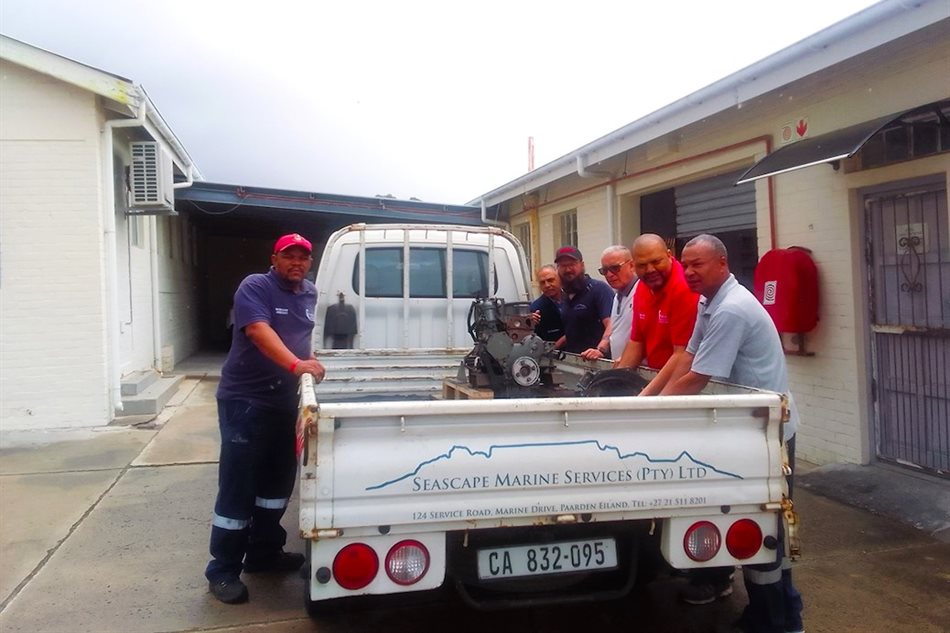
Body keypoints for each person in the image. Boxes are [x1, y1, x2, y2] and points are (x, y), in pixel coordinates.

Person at [657, 234, 804, 633]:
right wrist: (644, 397)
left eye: (698, 264)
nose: (688, 271)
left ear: (722, 264)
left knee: (767, 528)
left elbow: (699, 377)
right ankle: (772, 613)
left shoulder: (732, 310)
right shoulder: (710, 302)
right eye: (685, 264)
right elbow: (685, 357)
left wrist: (649, 413)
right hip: (743, 431)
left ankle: (779, 621)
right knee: (748, 518)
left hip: (767, 435)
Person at [205, 232, 327, 605]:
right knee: (239, 483)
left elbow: (303, 337)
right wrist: (296, 364)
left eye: (303, 257)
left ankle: (263, 554)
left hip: (283, 401)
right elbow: (259, 332)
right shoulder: (255, 286)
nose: (297, 263)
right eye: (289, 256)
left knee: (277, 484)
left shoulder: (309, 293)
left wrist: (312, 363)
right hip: (245, 400)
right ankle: (223, 569)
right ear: (274, 258)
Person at [615, 234, 699, 395]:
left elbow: (682, 355)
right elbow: (637, 341)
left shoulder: (683, 288)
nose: (650, 270)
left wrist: (645, 399)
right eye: (642, 265)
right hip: (656, 377)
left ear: (669, 255)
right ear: (633, 266)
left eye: (656, 262)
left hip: (681, 385)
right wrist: (617, 381)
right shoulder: (642, 286)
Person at [554, 246, 614, 357]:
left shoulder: (599, 290)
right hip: (575, 364)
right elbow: (575, 329)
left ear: (582, 265)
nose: (567, 270)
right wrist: (554, 347)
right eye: (563, 266)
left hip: (598, 364)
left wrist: (600, 350)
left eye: (572, 264)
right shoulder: (565, 296)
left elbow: (612, 325)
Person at [587, 245, 637, 361]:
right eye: (605, 270)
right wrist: (600, 350)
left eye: (615, 268)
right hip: (623, 368)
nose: (609, 274)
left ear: (631, 265)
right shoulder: (617, 295)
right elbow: (613, 325)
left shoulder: (642, 292)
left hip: (641, 369)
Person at [528, 264, 564, 345]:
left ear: (559, 279)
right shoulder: (536, 309)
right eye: (542, 282)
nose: (547, 285)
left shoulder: (573, 299)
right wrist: (530, 325)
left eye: (550, 280)